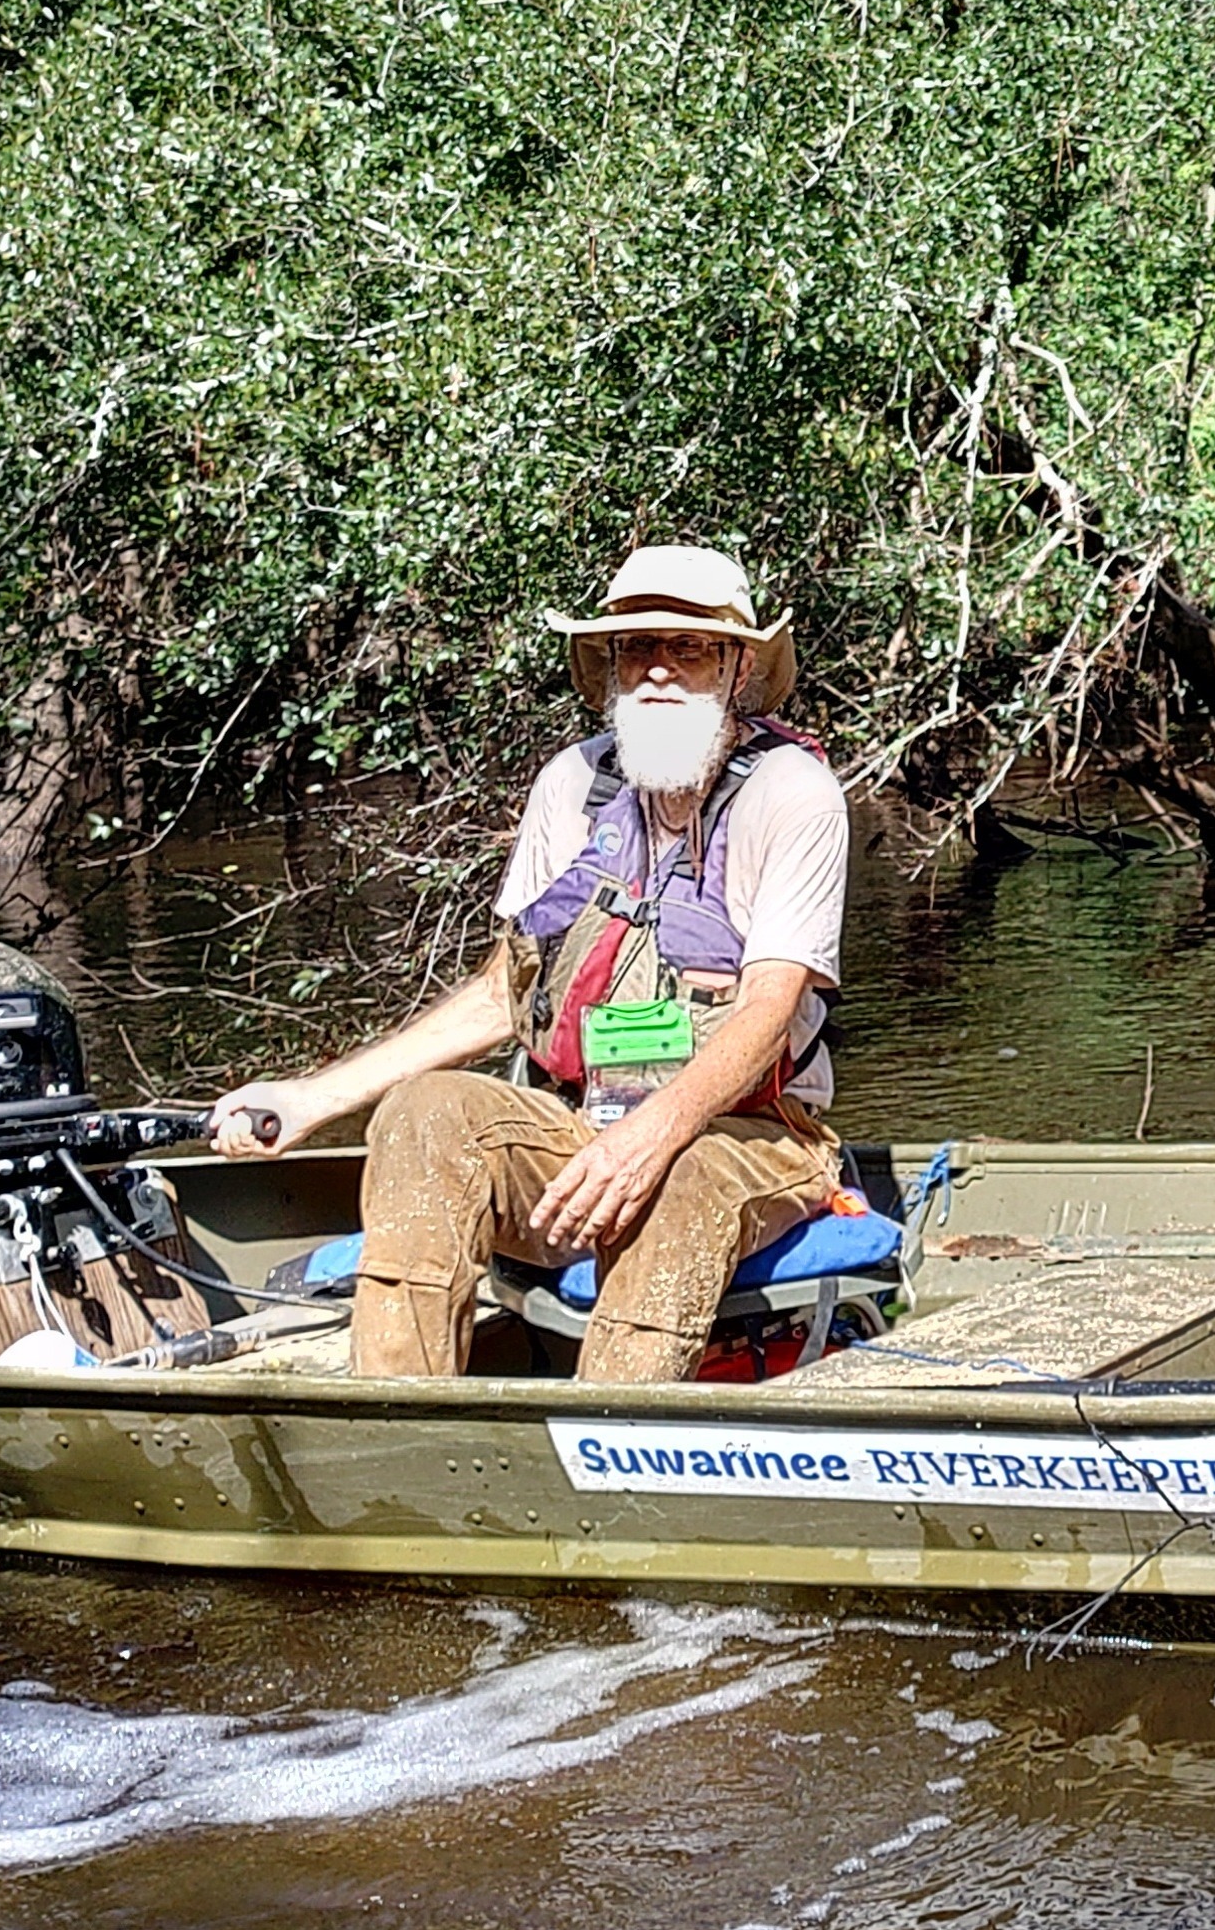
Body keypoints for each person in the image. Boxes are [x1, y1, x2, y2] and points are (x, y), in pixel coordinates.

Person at [206, 543, 852, 1381]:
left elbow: (769, 1013)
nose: (658, 671)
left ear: (737, 668)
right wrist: (310, 1101)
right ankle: (395, 1426)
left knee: (681, 1175)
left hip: (755, 1137)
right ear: (611, 668)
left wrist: (649, 1139)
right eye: (636, 649)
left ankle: (613, 1444)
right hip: (584, 1120)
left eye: (688, 649)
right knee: (426, 1113)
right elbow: (500, 995)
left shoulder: (791, 792)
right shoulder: (573, 786)